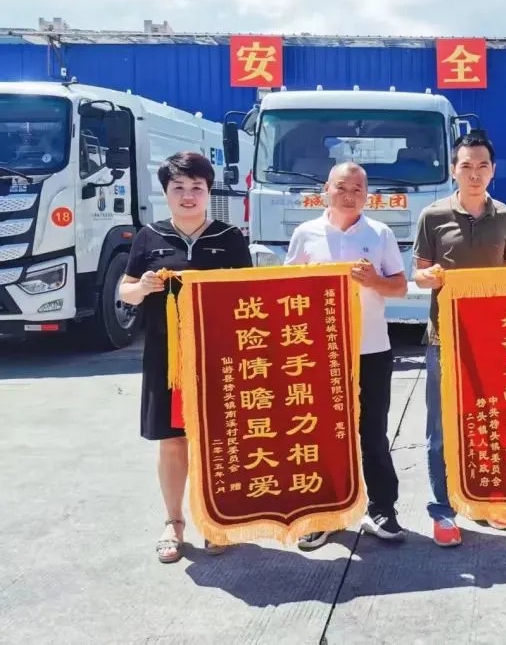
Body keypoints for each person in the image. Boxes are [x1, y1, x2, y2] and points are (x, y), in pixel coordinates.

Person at [118, 151, 253, 564]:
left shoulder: (229, 237)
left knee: (216, 440)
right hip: (166, 357)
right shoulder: (149, 237)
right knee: (172, 441)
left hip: (218, 355)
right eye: (178, 187)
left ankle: (215, 520)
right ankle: (173, 522)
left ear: (209, 192)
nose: (188, 195)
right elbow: (125, 292)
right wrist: (142, 287)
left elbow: (251, 295)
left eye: (197, 187)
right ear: (165, 192)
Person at [284, 162, 409, 550]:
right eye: (342, 187)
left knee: (373, 432)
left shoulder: (380, 233)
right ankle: (325, 513)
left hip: (371, 350)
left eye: (358, 189)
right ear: (326, 188)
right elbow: (286, 288)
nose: (350, 195)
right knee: (321, 433)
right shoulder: (305, 234)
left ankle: (382, 509)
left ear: (367, 195)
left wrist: (375, 281)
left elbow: (400, 287)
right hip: (320, 354)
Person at [413, 131, 506, 547]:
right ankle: (443, 510)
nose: (474, 174)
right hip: (444, 337)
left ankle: (490, 500)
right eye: (466, 166)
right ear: (453, 170)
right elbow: (419, 272)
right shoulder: (433, 216)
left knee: (491, 420)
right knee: (441, 430)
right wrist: (430, 276)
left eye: (482, 166)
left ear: (493, 171)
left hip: (492, 339)